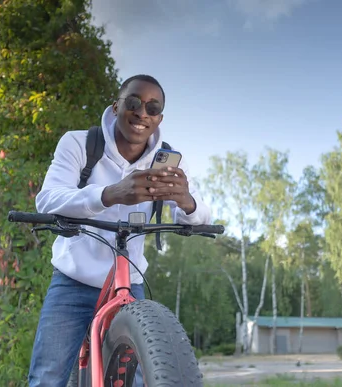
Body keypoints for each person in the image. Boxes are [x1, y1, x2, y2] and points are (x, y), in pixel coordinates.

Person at [29, 74, 211, 387]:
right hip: (74, 280)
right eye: (134, 103)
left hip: (131, 281)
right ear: (116, 106)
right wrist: (110, 193)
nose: (142, 113)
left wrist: (186, 200)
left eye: (153, 108)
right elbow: (47, 200)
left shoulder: (165, 160)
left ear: (159, 119)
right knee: (47, 377)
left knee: (147, 376)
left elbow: (200, 218)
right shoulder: (80, 143)